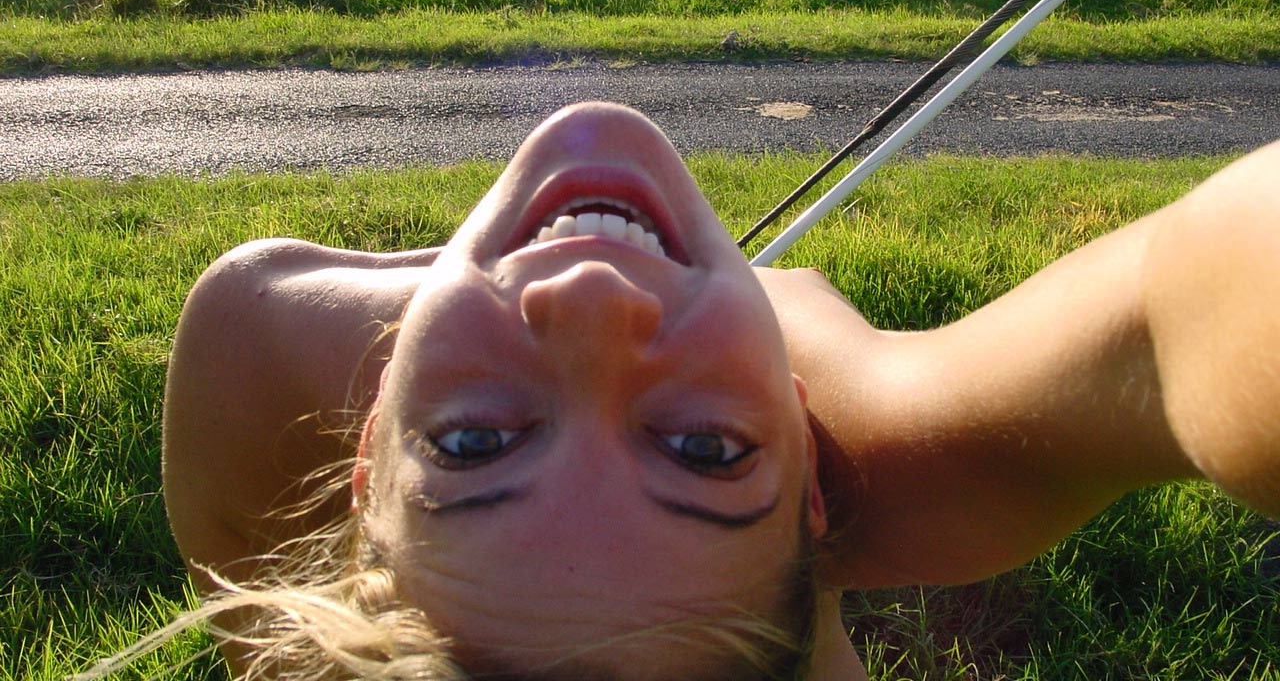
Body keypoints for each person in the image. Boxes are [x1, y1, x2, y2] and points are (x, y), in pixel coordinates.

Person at [145, 101, 1277, 681]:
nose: (591, 298)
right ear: (816, 479)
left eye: (474, 442)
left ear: (364, 461)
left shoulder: (260, 335)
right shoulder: (902, 463)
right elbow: (1186, 311)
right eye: (704, 451)